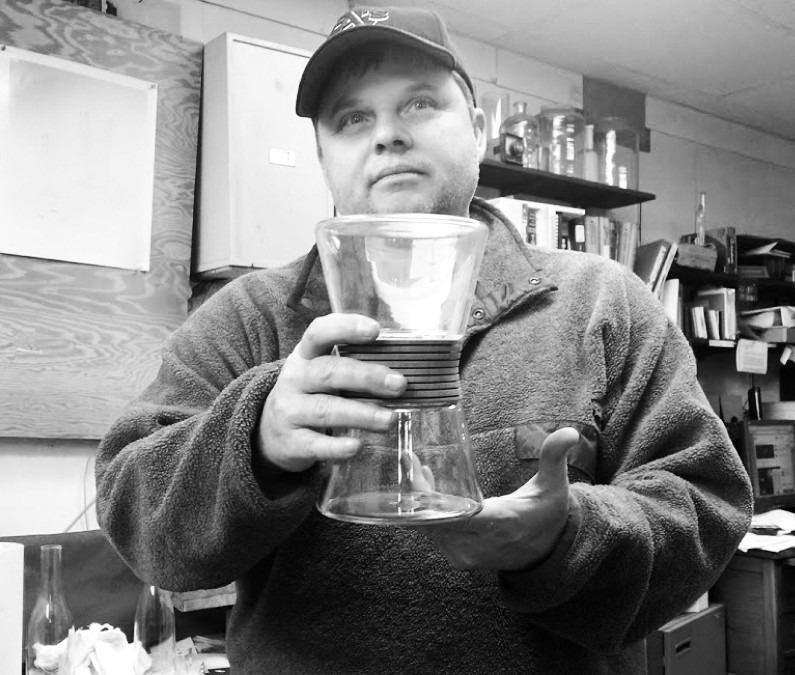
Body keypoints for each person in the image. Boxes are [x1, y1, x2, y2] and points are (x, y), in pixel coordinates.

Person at [96, 6, 753, 674]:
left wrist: (567, 538)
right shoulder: (245, 317)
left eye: (417, 103)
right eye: (352, 118)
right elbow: (133, 510)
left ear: (475, 129)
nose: (385, 135)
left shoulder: (602, 302)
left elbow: (707, 506)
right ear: (322, 156)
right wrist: (256, 438)